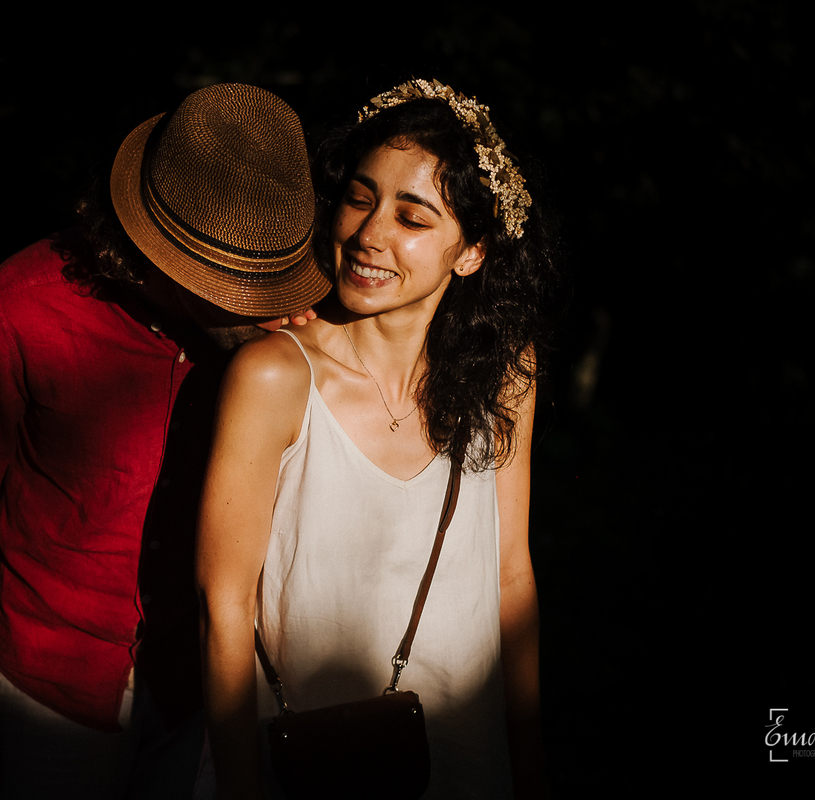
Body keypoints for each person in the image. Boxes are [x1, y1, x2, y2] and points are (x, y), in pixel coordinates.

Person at [0, 82, 330, 798]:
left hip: (211, 684)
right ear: (157, 253)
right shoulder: (26, 303)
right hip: (49, 690)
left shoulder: (298, 340)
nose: (272, 308)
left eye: (272, 281)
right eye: (240, 287)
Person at [197, 79, 558, 799]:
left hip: (462, 755)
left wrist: (528, 764)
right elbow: (223, 605)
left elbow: (511, 576)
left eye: (412, 217)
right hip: (303, 757)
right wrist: (241, 785)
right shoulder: (275, 376)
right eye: (360, 199)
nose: (369, 234)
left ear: (472, 252)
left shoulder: (504, 377)